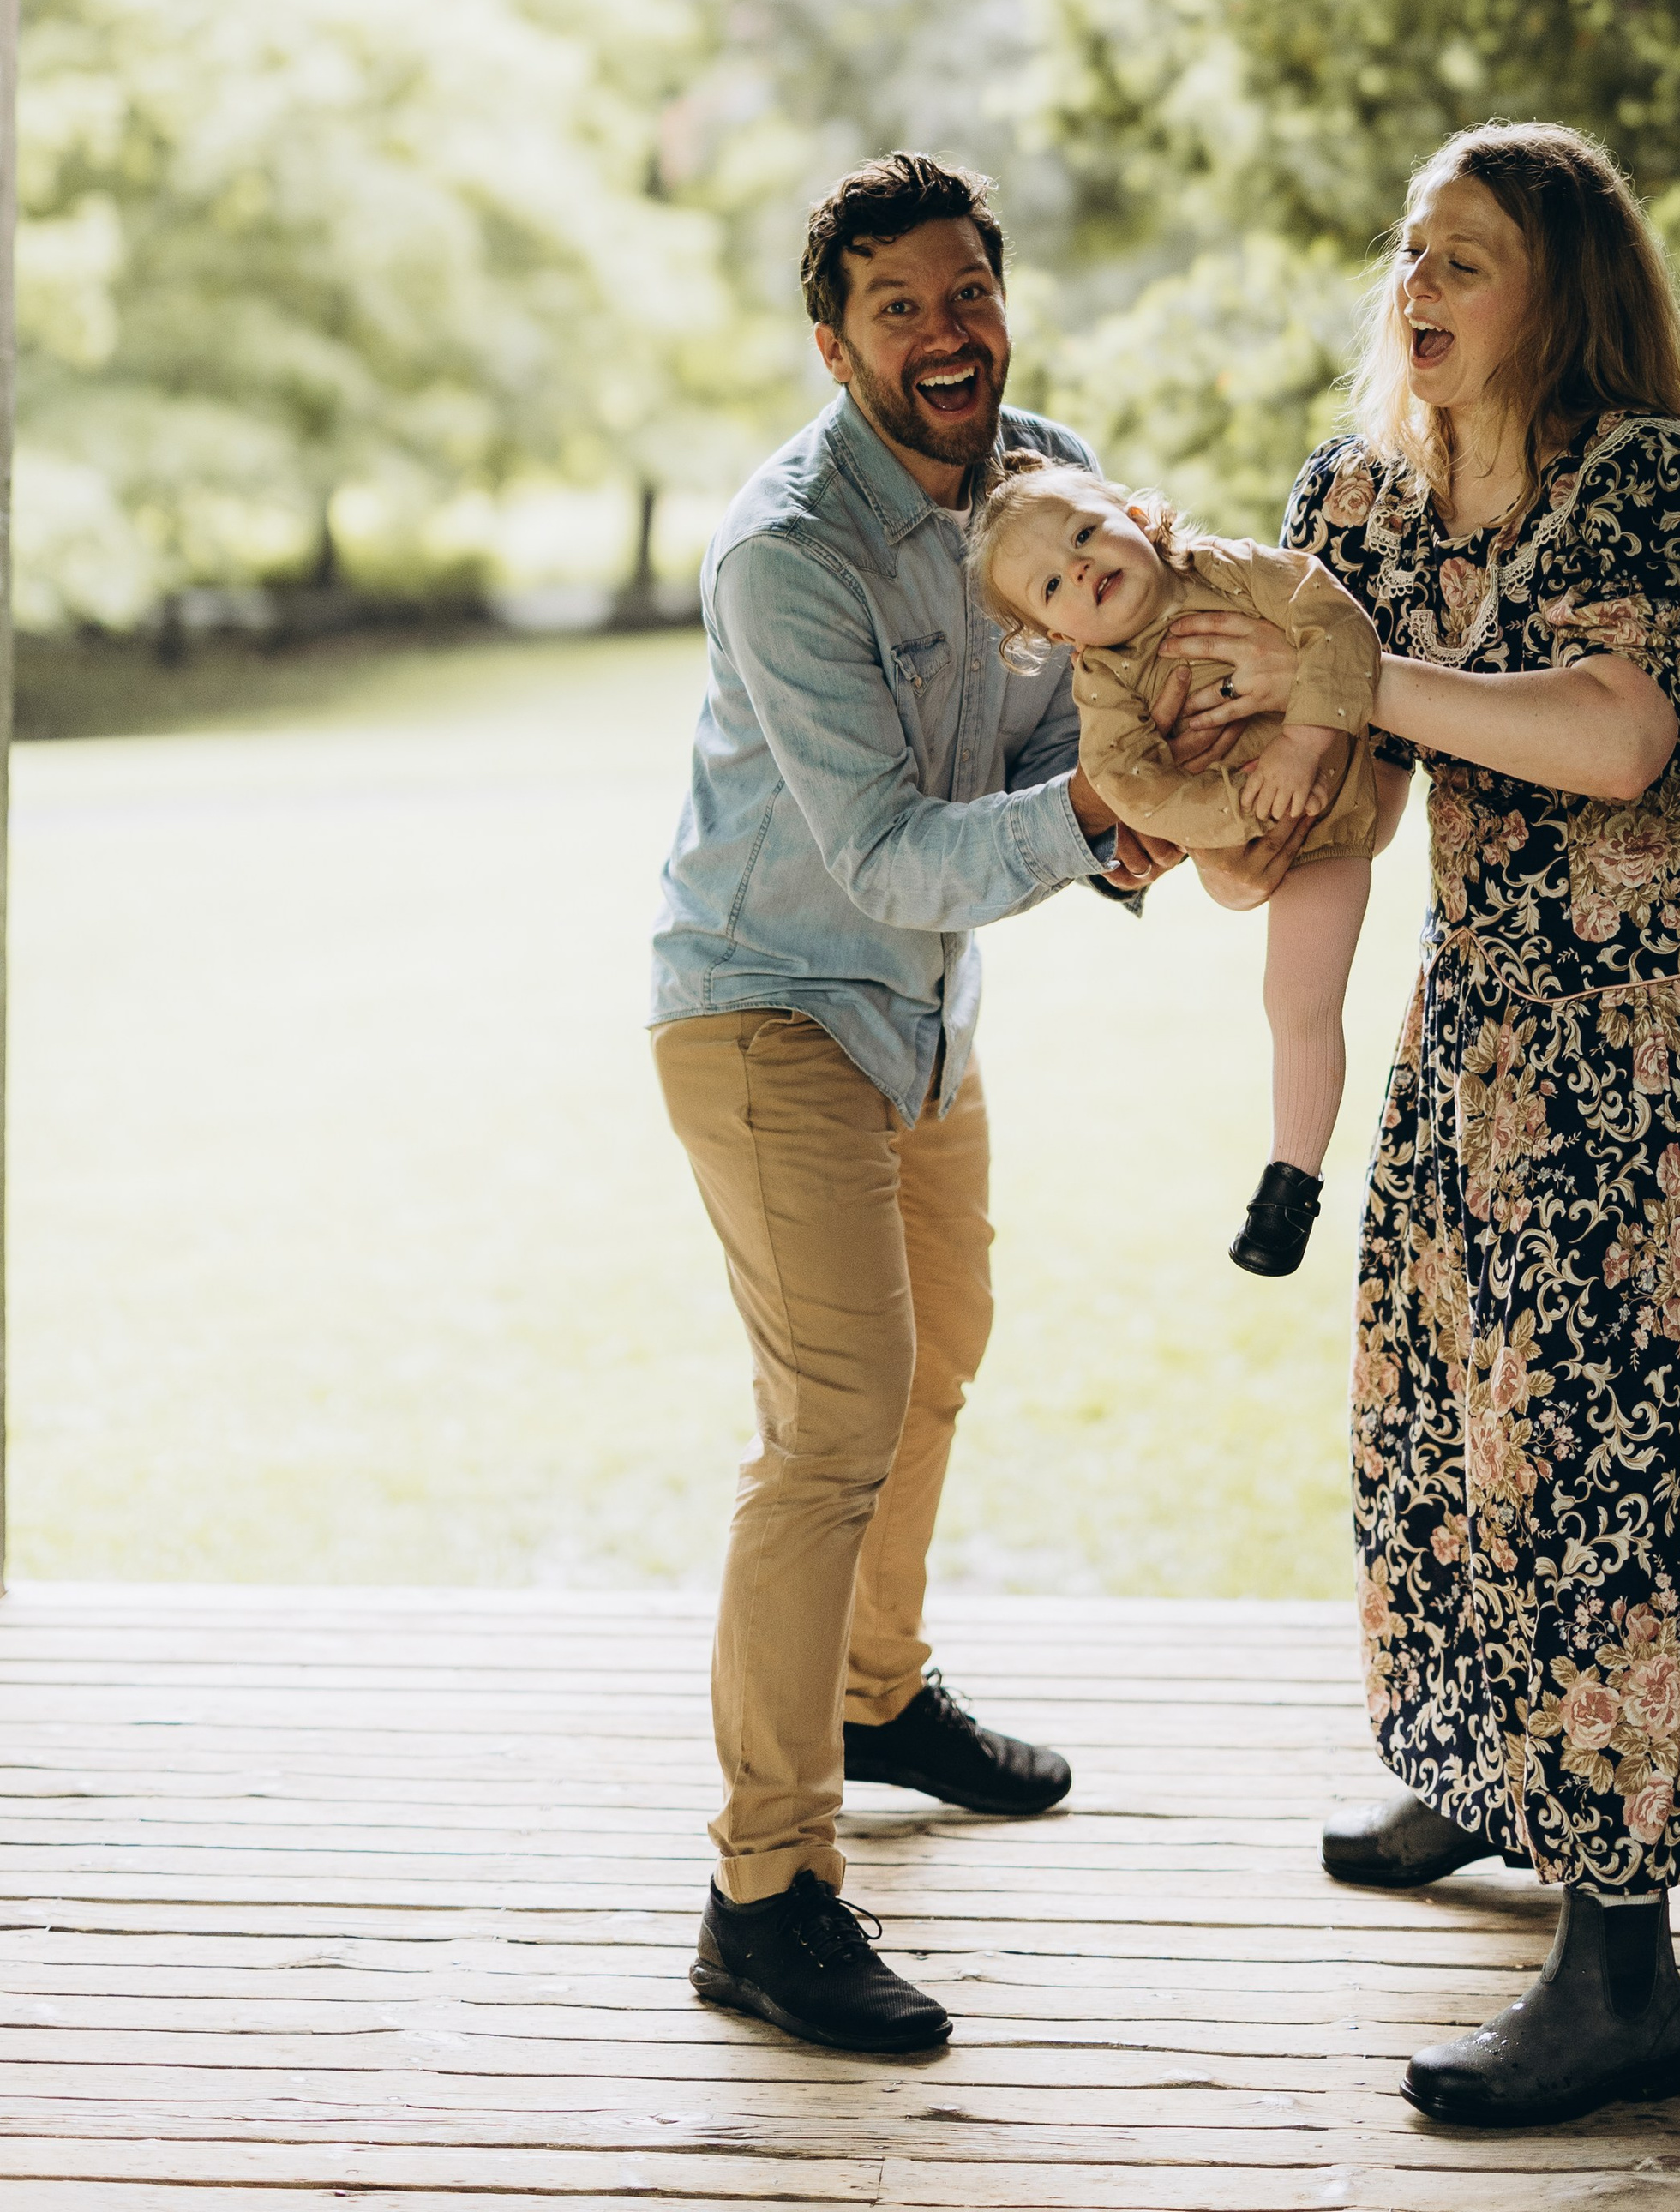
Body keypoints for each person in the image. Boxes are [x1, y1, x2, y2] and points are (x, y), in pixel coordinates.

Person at [1166, 120, 1680, 2131]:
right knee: (1440, 1402)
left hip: (1653, 1019)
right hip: (1485, 1005)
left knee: (1608, 1450)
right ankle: (1476, 1769)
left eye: (1463, 256)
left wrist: (1363, 676)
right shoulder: (1355, 488)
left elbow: (1612, 735)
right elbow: (1327, 768)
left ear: (1560, 288)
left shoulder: (1644, 477)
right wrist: (1230, 814)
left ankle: (1618, 1970)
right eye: (1405, 254)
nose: (1415, 289)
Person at [647, 150, 1187, 2061]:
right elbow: (881, 851)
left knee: (939, 1353)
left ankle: (878, 1694)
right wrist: (1107, 821)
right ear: (833, 342)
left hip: (923, 1016)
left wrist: (1140, 797)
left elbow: (1057, 724)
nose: (946, 334)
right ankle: (763, 1891)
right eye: (900, 307)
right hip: (765, 1002)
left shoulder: (1046, 472)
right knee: (831, 1425)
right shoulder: (783, 547)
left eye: (967, 291)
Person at [968, 453, 1387, 1274]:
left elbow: (1337, 619)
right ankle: (1288, 1190)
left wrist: (1306, 743)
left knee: (1306, 993)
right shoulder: (1105, 689)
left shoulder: (1227, 570)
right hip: (1266, 833)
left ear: (1136, 515)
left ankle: (1291, 1174)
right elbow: (1136, 788)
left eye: (1085, 532)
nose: (1079, 565)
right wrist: (1237, 806)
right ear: (1058, 637)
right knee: (1291, 1001)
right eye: (1051, 585)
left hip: (1331, 817)